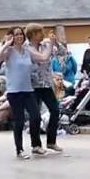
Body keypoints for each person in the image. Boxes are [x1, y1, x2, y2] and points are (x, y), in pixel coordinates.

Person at [0, 26, 51, 159]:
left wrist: (49, 44)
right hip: (14, 92)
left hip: (28, 90)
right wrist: (6, 44)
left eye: (21, 34)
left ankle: (36, 146)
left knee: (36, 116)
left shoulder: (27, 51)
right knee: (19, 120)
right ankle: (19, 150)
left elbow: (44, 58)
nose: (19, 36)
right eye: (16, 34)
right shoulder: (9, 52)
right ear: (12, 37)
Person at [27, 24, 64, 153]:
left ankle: (51, 141)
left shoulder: (45, 45)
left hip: (46, 84)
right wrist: (50, 46)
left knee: (55, 110)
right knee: (35, 115)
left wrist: (56, 43)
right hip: (32, 85)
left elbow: (62, 53)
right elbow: (42, 58)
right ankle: (36, 145)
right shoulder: (27, 48)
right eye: (39, 32)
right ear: (32, 34)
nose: (42, 34)